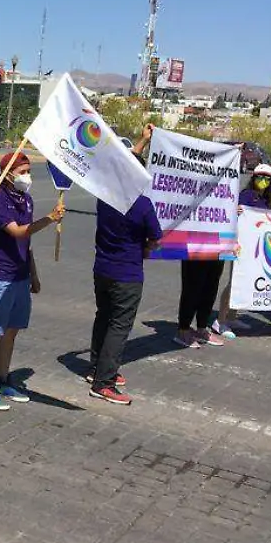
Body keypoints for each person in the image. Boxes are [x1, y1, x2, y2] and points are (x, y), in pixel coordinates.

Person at [0, 153, 64, 410]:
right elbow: (16, 231)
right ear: (8, 173)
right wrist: (49, 219)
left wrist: (33, 274)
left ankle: (3, 378)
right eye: (22, 171)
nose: (27, 176)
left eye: (29, 171)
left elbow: (27, 242)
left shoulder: (26, 199)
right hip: (0, 276)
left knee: (11, 331)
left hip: (20, 276)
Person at [87, 148, 162, 405]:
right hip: (127, 274)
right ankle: (103, 382)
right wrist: (147, 247)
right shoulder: (142, 204)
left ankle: (95, 367)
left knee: (103, 317)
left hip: (102, 269)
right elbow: (155, 238)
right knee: (119, 327)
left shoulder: (104, 197)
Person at [212, 164, 271, 339]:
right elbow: (230, 212)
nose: (263, 181)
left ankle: (232, 317)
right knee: (234, 282)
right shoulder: (246, 195)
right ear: (254, 178)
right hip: (241, 245)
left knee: (244, 282)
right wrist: (236, 210)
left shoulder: (265, 200)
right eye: (260, 177)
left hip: (255, 248)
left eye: (267, 178)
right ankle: (220, 320)